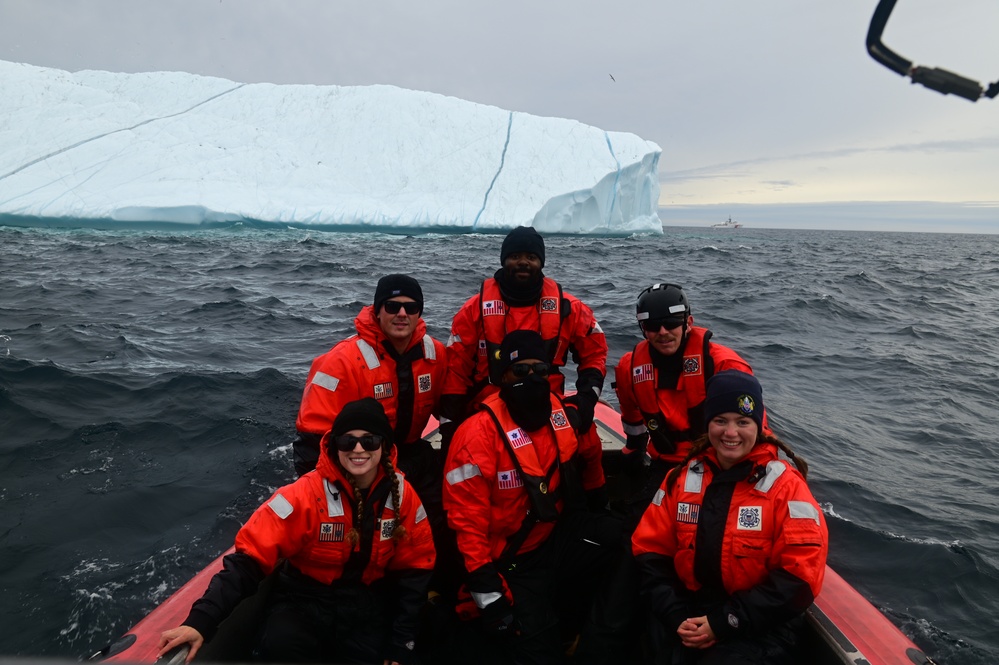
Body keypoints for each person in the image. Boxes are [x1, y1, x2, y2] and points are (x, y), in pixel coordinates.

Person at [158, 398, 436, 665]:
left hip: (366, 605)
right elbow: (248, 562)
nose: (359, 449)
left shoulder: (404, 496)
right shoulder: (302, 496)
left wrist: (402, 642)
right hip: (304, 602)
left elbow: (415, 571)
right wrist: (201, 622)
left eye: (370, 440)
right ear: (335, 445)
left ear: (384, 445)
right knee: (279, 645)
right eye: (348, 440)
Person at [442, 330, 622, 665]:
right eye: (521, 372)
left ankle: (590, 639)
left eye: (540, 371)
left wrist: (602, 511)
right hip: (509, 561)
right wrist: (490, 596)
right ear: (503, 378)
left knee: (628, 542)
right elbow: (466, 529)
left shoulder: (562, 415)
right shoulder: (476, 437)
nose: (533, 379)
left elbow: (591, 459)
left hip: (555, 540)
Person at [631, 370, 827, 664]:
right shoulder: (681, 479)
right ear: (707, 424)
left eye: (742, 422)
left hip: (758, 626)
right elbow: (649, 551)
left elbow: (800, 578)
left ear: (758, 427)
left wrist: (726, 622)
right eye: (720, 420)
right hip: (686, 614)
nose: (730, 432)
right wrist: (675, 615)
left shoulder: (787, 488)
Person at [440, 226, 608, 507]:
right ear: (503, 260)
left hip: (548, 402)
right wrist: (449, 425)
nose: (523, 262)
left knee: (589, 442)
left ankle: (595, 503)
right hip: (492, 405)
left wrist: (586, 399)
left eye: (531, 256)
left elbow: (594, 353)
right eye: (515, 255)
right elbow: (456, 368)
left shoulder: (569, 308)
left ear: (541, 262)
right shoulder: (474, 310)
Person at [293, 274, 447, 542]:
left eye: (411, 307)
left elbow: (455, 408)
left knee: (443, 515)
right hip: (357, 463)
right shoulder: (340, 362)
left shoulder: (436, 355)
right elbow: (311, 444)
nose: (402, 314)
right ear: (377, 310)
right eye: (392, 306)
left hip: (411, 456)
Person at [614, 283, 765, 511]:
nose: (663, 331)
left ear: (688, 323)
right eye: (654, 325)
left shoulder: (725, 366)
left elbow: (755, 430)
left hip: (721, 462)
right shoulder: (629, 367)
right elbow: (631, 414)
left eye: (672, 323)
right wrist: (633, 449)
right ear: (643, 329)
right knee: (635, 529)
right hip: (666, 463)